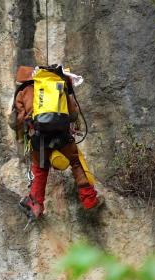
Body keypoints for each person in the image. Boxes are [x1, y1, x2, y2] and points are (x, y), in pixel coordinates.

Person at [11, 65, 100, 221]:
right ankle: (90, 200)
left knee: (40, 169)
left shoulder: (23, 91)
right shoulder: (58, 84)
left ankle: (36, 206)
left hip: (39, 138)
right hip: (62, 135)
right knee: (76, 163)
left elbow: (17, 121)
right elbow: (72, 114)